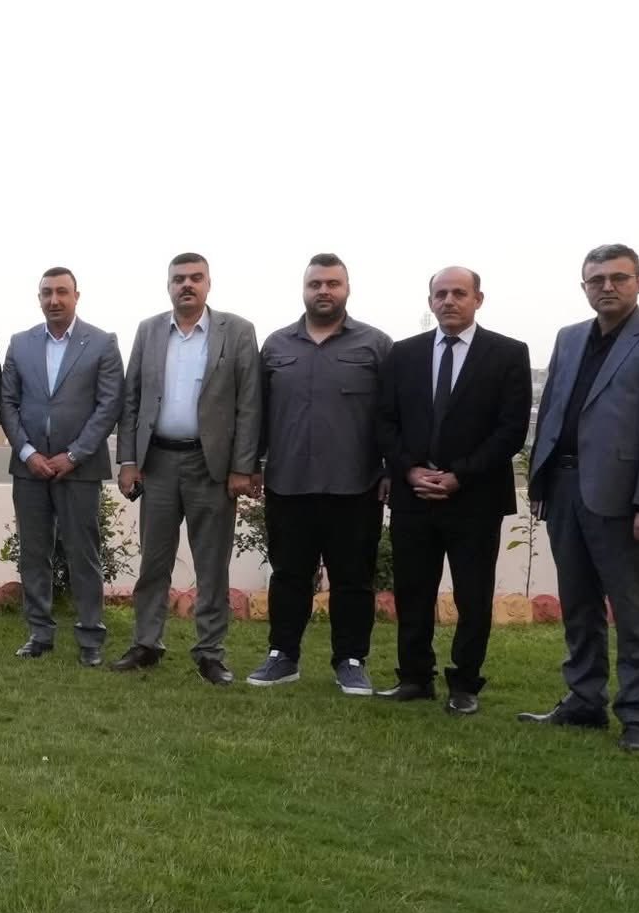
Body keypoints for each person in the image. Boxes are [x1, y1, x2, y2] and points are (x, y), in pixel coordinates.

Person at [522, 244, 639, 751]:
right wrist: (540, 483)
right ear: (584, 287)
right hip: (565, 490)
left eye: (619, 277)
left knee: (633, 612)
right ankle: (584, 701)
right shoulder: (569, 337)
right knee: (578, 606)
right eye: (596, 279)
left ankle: (638, 717)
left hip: (624, 500)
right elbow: (552, 412)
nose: (607, 287)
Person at [374, 267, 531, 714]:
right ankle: (414, 677)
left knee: (473, 596)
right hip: (414, 496)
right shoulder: (403, 354)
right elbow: (384, 420)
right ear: (430, 302)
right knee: (413, 591)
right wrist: (408, 470)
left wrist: (460, 474)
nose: (449, 301)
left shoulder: (508, 354)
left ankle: (465, 684)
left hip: (475, 498)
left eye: (459, 293)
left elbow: (511, 429)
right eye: (440, 294)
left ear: (478, 299)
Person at [246, 254, 393, 695]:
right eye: (316, 284)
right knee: (289, 575)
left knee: (353, 579)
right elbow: (258, 413)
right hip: (288, 484)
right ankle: (282, 656)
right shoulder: (276, 346)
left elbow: (393, 415)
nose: (324, 291)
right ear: (304, 290)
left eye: (333, 283)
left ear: (347, 289)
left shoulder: (376, 345)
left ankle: (351, 660)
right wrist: (250, 465)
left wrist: (390, 469)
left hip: (356, 486)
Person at [113, 252, 261, 685]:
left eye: (196, 277)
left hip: (210, 465)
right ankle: (146, 644)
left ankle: (210, 653)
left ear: (208, 284)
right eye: (179, 278)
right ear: (169, 285)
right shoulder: (149, 330)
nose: (187, 285)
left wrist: (242, 467)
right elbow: (131, 399)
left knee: (211, 565)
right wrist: (128, 460)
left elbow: (249, 404)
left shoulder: (237, 331)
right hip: (157, 463)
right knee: (153, 562)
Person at [0, 266, 123, 666]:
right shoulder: (20, 343)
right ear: (39, 298)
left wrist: (73, 455)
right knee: (34, 554)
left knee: (82, 554)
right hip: (29, 468)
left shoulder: (102, 342)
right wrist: (27, 453)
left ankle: (90, 637)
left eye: (62, 292)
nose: (54, 300)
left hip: (80, 469)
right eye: (47, 293)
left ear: (76, 296)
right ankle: (39, 633)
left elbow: (109, 406)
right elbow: (7, 403)